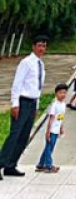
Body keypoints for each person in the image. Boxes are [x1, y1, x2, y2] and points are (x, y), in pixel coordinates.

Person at [0, 33, 48, 179]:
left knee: (24, 136)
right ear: (33, 47)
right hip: (22, 101)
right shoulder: (26, 62)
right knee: (15, 134)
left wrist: (37, 106)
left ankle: (11, 164)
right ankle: (1, 162)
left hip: (32, 102)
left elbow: (38, 87)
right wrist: (15, 103)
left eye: (44, 46)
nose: (42, 48)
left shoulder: (41, 64)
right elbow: (17, 83)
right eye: (39, 45)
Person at [35, 83, 67, 174]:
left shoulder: (63, 104)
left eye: (64, 93)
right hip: (52, 130)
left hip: (56, 130)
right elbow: (51, 119)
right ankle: (49, 165)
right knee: (49, 148)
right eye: (61, 93)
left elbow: (60, 117)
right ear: (56, 94)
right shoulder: (54, 105)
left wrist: (61, 128)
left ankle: (41, 164)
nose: (63, 95)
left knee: (48, 147)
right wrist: (48, 132)